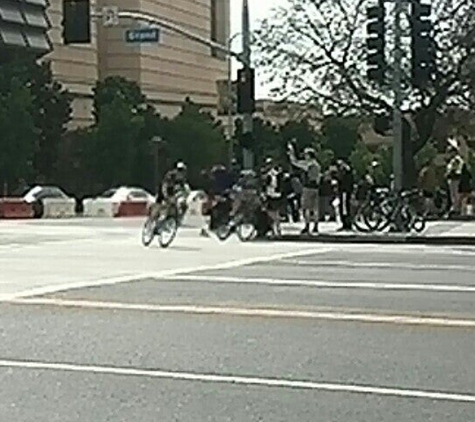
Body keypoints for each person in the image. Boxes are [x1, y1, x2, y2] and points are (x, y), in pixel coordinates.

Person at [288, 142, 321, 234]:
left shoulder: (309, 164)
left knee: (306, 208)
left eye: (306, 155)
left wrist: (291, 152)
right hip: (316, 188)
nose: (305, 156)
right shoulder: (317, 165)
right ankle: (316, 226)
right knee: (315, 209)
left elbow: (295, 162)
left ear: (309, 155)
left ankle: (307, 226)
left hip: (308, 187)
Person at [336, 159, 354, 231]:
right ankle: (346, 223)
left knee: (344, 207)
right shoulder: (348, 170)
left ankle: (346, 224)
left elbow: (341, 179)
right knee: (345, 207)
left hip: (344, 191)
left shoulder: (345, 170)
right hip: (345, 190)